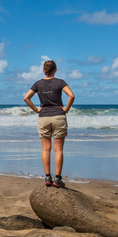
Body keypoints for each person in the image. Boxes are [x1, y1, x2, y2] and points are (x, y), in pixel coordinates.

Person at [23, 60, 75, 188]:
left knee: (46, 149)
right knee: (58, 150)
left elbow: (26, 98)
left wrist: (36, 109)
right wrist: (66, 109)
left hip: (44, 117)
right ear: (55, 70)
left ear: (43, 70)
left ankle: (47, 177)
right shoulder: (60, 82)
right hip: (58, 116)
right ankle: (57, 179)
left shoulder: (38, 83)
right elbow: (71, 96)